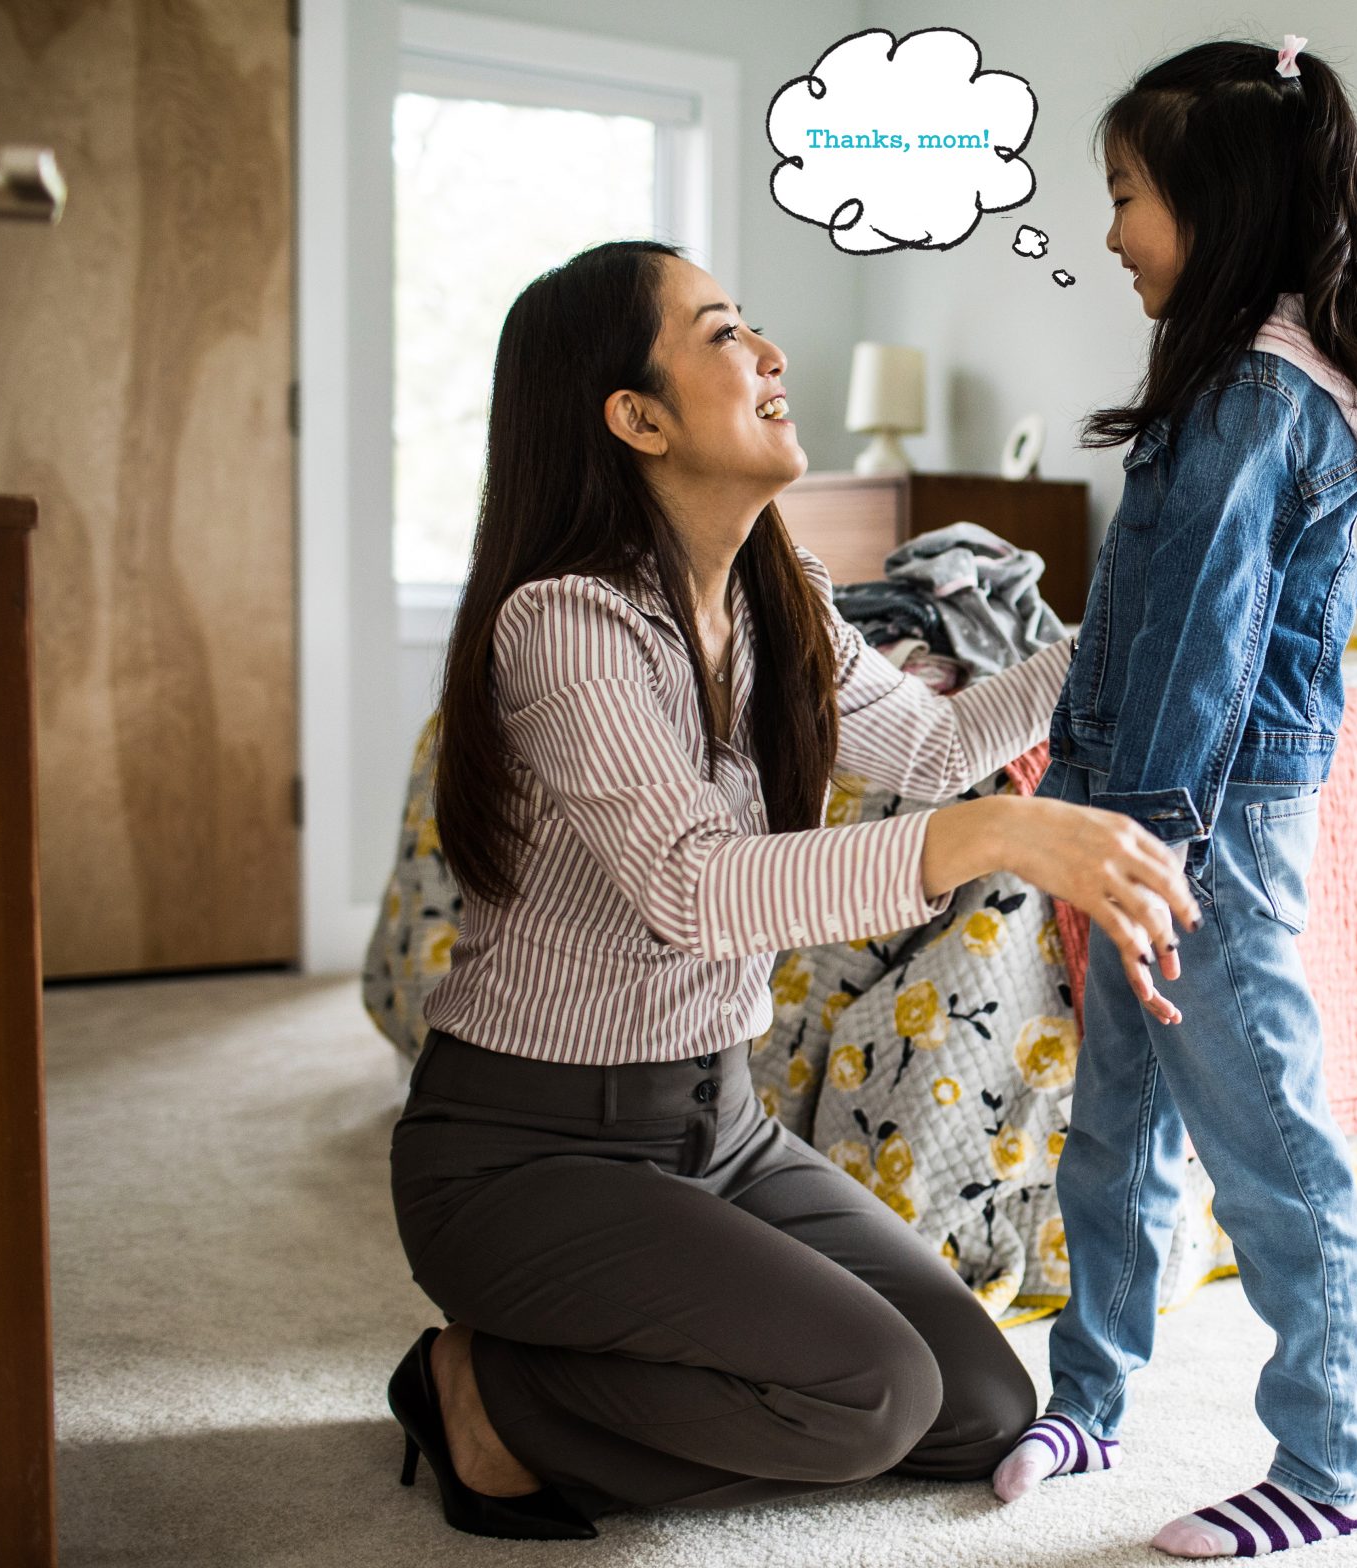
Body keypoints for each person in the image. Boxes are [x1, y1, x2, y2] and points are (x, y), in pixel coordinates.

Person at [383, 238, 1203, 1540]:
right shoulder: (565, 624)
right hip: (525, 1150)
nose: (769, 353)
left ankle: (593, 1363)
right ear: (635, 417)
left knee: (981, 1407)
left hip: (719, 1123)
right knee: (869, 1397)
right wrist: (1000, 835)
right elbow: (695, 887)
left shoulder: (782, 600)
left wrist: (1125, 636)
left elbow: (933, 748)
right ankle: (482, 1390)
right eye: (721, 334)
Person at [988, 36, 1357, 1560]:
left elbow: (1205, 640)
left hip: (1203, 831)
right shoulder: (1224, 386)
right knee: (1114, 1132)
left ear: (1217, 205)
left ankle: (1326, 1461)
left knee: (1272, 1153)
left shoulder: (1263, 400)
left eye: (1126, 198)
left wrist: (1146, 838)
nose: (1108, 233)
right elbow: (1135, 623)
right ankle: (1091, 1399)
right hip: (1138, 810)